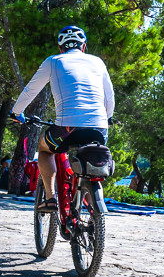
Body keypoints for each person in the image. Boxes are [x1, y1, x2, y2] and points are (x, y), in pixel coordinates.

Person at [11, 26, 115, 211]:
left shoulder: (53, 61)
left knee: (45, 150)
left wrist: (16, 112)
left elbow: (30, 90)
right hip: (99, 128)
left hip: (66, 129)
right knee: (91, 163)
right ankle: (94, 214)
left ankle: (50, 197)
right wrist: (107, 118)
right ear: (84, 47)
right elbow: (110, 97)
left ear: (60, 48)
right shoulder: (98, 62)